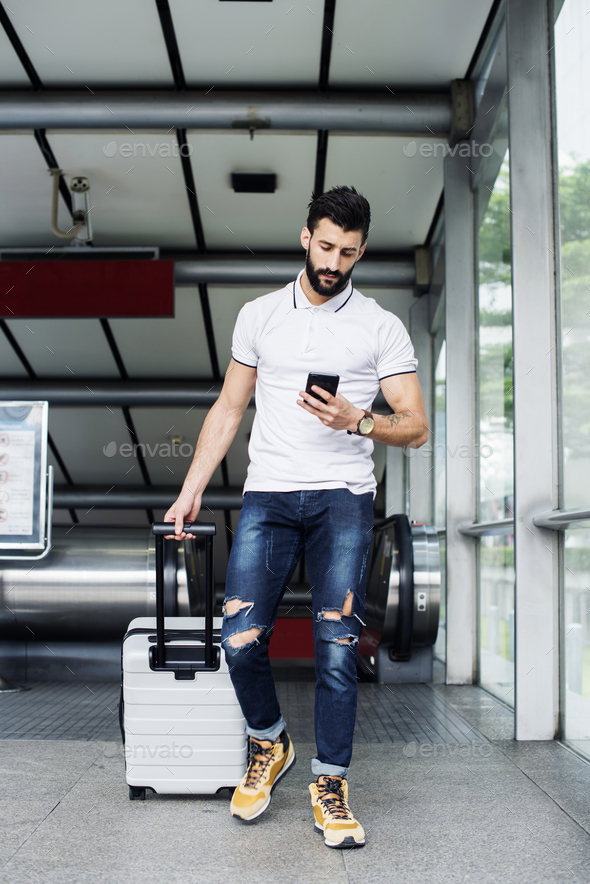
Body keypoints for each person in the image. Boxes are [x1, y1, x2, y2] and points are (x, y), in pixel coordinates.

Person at [165, 186, 429, 849]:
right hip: (269, 497)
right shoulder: (259, 316)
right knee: (239, 638)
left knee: (337, 648)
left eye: (348, 251)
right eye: (326, 245)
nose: (334, 261)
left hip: (343, 499)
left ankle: (331, 781)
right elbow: (230, 407)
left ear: (361, 251)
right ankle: (269, 742)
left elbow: (418, 426)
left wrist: (358, 419)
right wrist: (191, 487)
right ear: (305, 237)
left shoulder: (379, 326)